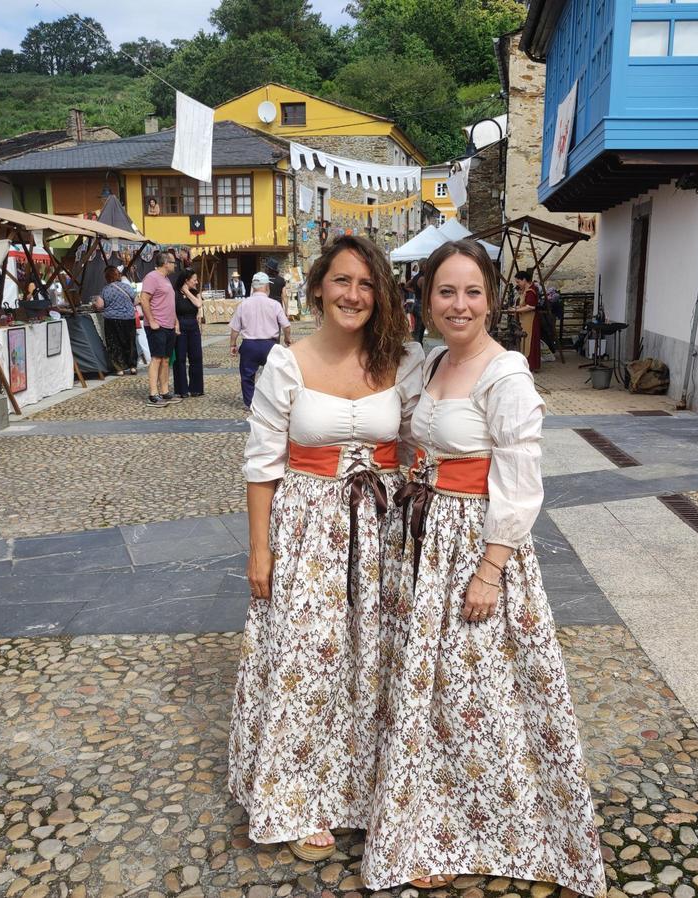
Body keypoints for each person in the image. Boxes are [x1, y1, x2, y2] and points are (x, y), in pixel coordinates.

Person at [363, 239, 605, 895]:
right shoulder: (434, 363)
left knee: (478, 696)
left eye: (472, 292)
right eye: (447, 292)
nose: (459, 304)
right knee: (429, 692)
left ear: (492, 300)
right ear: (427, 300)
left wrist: (491, 569)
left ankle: (493, 828)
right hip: (426, 537)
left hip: (474, 544)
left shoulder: (506, 376)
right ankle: (424, 825)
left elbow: (522, 480)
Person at [229, 235, 423, 862]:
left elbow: (429, 441)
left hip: (383, 526)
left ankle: (369, 790)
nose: (354, 295)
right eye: (342, 281)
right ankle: (301, 794)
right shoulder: (288, 363)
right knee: (309, 659)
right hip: (307, 528)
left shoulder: (404, 361)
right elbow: (262, 464)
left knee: (376, 657)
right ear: (317, 289)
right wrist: (260, 553)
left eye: (367, 284)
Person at [229, 272, 291, 408]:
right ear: (266, 286)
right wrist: (287, 339)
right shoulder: (274, 304)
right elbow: (286, 325)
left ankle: (250, 403)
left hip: (249, 345)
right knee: (275, 375)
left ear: (253, 286)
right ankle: (274, 402)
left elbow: (235, 329)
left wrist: (233, 345)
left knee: (247, 376)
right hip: (270, 345)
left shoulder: (243, 304)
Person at [140, 252, 179, 408]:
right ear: (165, 263)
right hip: (157, 326)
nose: (175, 265)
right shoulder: (152, 277)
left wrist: (176, 321)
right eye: (173, 262)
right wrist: (152, 320)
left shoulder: (166, 279)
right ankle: (153, 393)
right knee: (156, 358)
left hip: (168, 325)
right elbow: (144, 299)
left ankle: (164, 390)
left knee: (166, 359)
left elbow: (169, 302)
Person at [94, 265, 138, 375]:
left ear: (106, 277)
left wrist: (94, 305)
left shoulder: (105, 290)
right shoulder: (126, 287)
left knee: (114, 343)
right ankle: (132, 366)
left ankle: (120, 369)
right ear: (118, 275)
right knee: (130, 342)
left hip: (112, 319)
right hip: (128, 318)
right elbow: (137, 301)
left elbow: (100, 306)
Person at [175, 269, 205, 398]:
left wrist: (187, 291)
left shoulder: (195, 293)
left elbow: (198, 304)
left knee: (196, 357)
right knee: (180, 359)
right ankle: (181, 389)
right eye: (194, 279)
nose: (197, 282)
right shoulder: (175, 293)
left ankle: (196, 388)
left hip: (193, 325)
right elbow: (173, 311)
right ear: (186, 280)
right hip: (180, 325)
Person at [510, 268, 542, 371]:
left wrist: (516, 310)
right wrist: (516, 309)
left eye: (518, 282)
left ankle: (531, 365)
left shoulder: (531, 291)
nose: (518, 284)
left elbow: (531, 306)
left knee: (529, 342)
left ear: (524, 280)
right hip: (525, 319)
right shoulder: (526, 291)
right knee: (525, 341)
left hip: (531, 320)